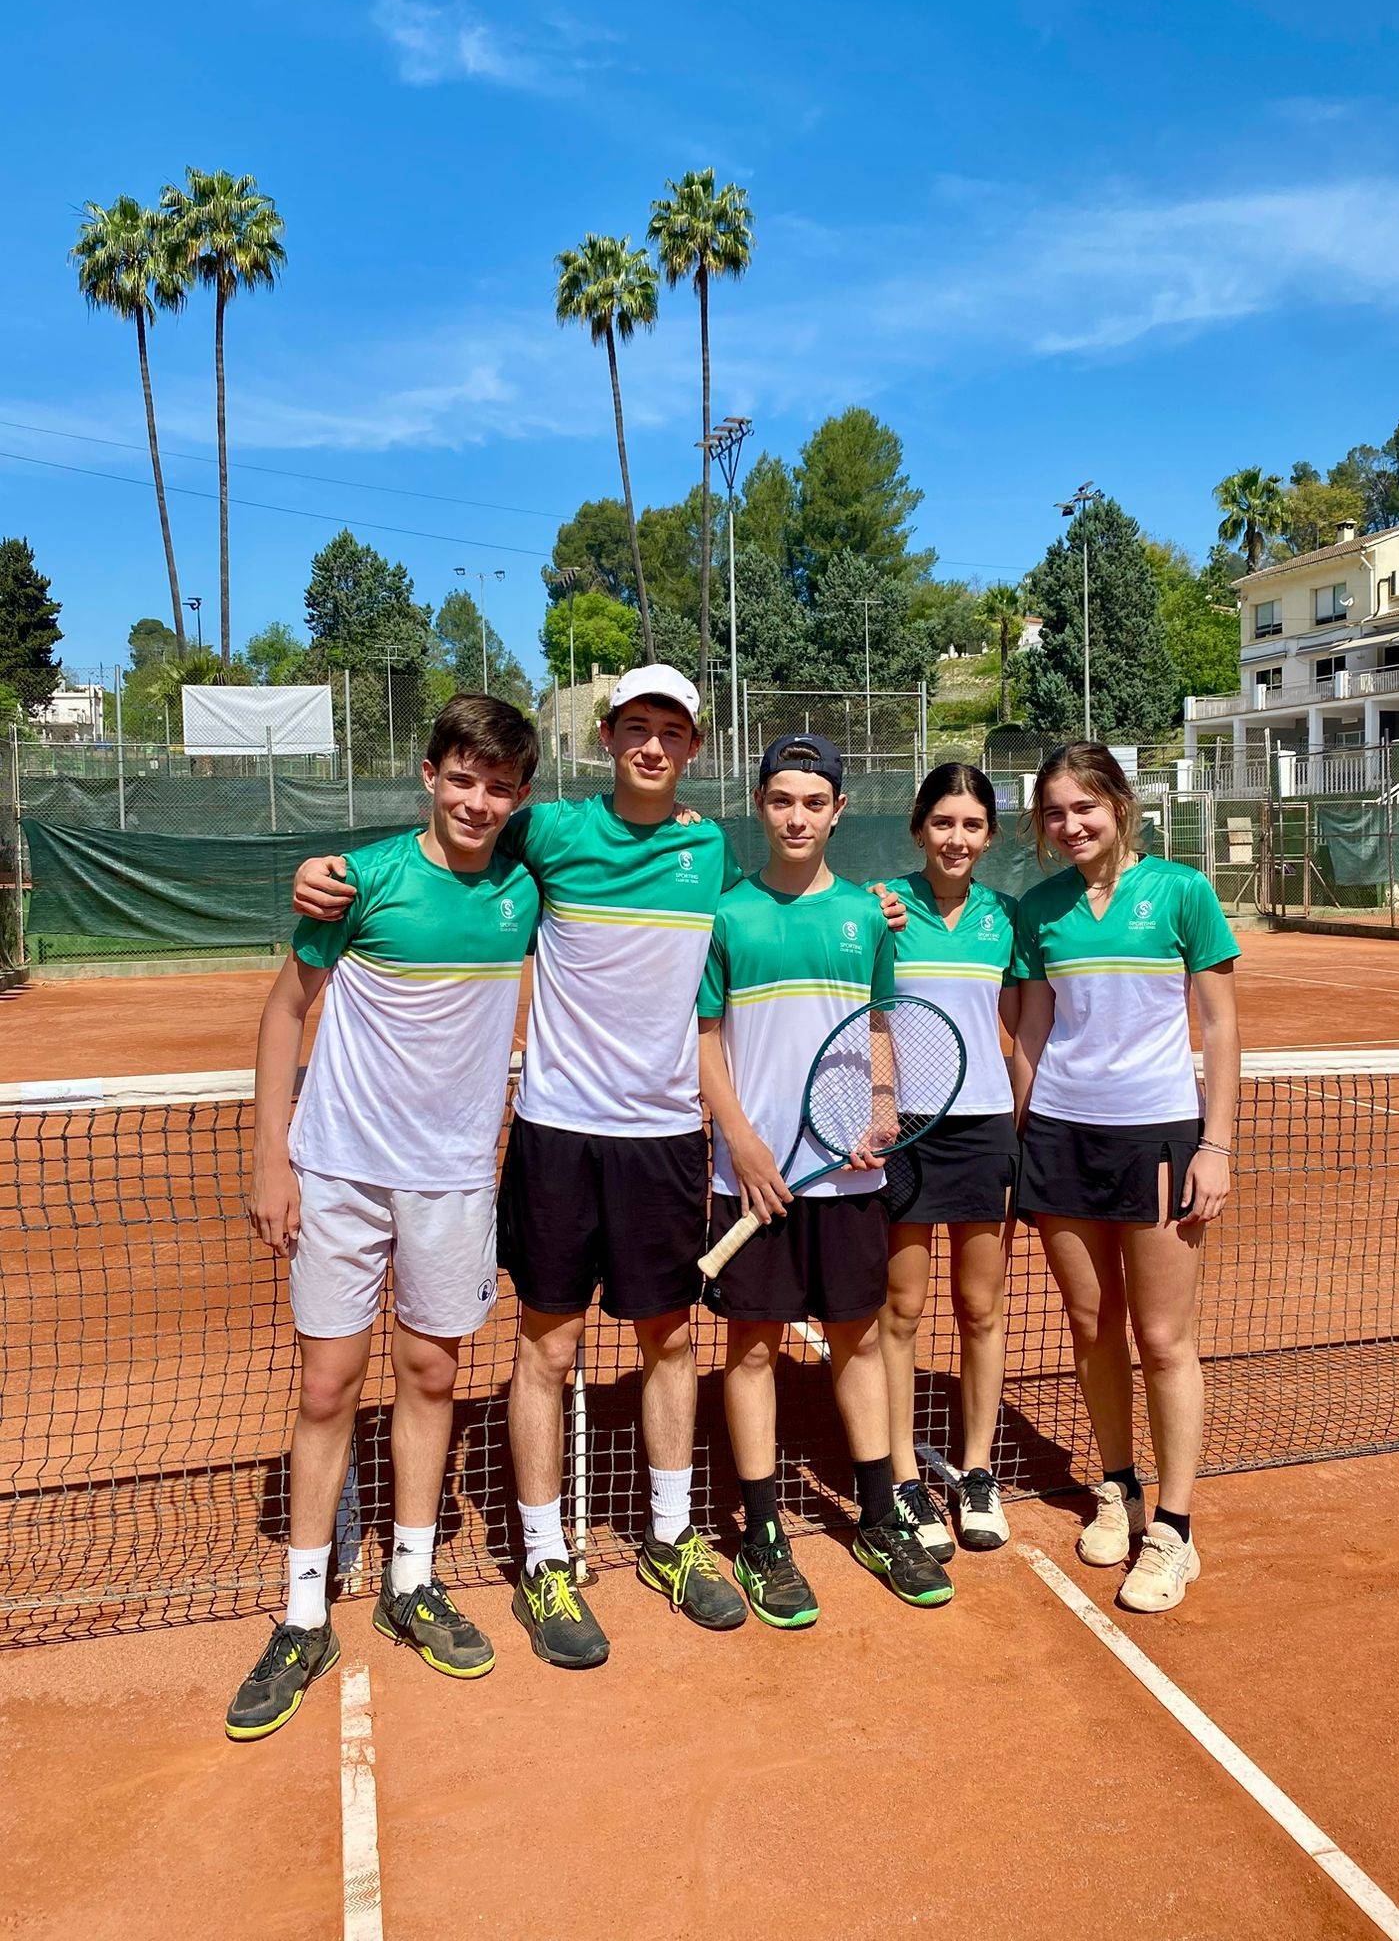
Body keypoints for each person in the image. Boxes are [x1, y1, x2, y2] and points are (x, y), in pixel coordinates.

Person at [293, 666, 908, 1669]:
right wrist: (331, 870)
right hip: (556, 1135)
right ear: (609, 736)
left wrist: (882, 900)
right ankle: (543, 1559)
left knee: (669, 1340)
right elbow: (448, 838)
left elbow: (787, 894)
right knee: (547, 1346)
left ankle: (670, 1536)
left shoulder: (709, 849)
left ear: (695, 747)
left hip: (664, 1140)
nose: (653, 744)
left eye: (672, 729)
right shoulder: (548, 831)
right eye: (635, 726)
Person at [226, 694, 540, 1741]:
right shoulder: (359, 880)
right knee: (327, 1385)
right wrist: (272, 1159)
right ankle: (303, 1612)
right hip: (340, 1172)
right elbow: (285, 1011)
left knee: (431, 1375)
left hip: (452, 1179)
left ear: (520, 795)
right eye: (463, 778)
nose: (478, 802)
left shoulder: (527, 883)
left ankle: (412, 1578)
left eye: (500, 786)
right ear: (429, 775)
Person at [698, 734, 954, 1628]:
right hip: (754, 1176)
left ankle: (880, 1518)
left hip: (848, 1174)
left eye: (814, 802)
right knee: (753, 1349)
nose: (797, 817)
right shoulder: (725, 916)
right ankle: (763, 1536)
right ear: (759, 806)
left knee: (859, 1340)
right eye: (781, 800)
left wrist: (882, 1109)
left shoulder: (866, 916)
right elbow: (704, 1041)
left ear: (838, 810)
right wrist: (742, 1145)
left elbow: (880, 1022)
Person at [1011, 741, 1240, 1614]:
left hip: (1159, 1139)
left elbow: (1220, 1027)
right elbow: (1033, 1032)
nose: (1070, 825)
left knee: (1164, 1337)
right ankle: (1119, 1487)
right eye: (1055, 813)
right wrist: (1020, 1138)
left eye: (1084, 807)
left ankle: (1174, 1530)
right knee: (1090, 1323)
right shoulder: (1041, 908)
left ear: (1118, 805)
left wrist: (1216, 1145)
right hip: (1060, 1135)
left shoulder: (1182, 891)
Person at [877, 764, 1021, 1560]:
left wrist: (1024, 1126)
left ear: (989, 835)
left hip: (983, 1128)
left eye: (971, 825)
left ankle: (976, 1472)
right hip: (905, 1130)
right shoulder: (883, 908)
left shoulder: (1007, 919)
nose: (956, 838)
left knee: (981, 1308)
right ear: (918, 828)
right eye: (942, 822)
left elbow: (1024, 1027)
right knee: (901, 1308)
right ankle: (903, 1476)